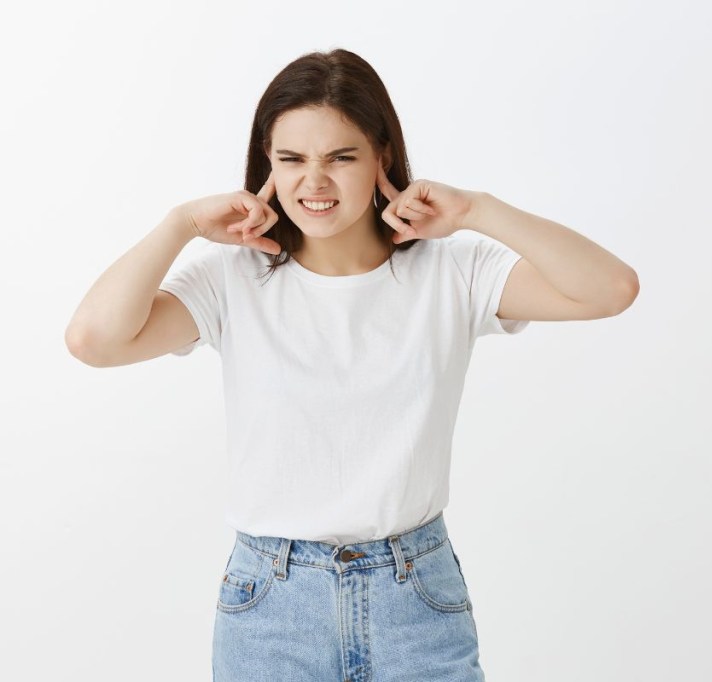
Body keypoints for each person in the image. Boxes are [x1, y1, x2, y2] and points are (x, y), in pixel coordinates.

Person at [65, 48, 639, 681]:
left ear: (381, 158)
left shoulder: (452, 271)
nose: (314, 182)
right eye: (291, 160)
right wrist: (180, 224)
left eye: (340, 157)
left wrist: (476, 210)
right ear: (267, 166)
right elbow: (95, 340)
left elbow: (610, 290)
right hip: (270, 604)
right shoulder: (233, 279)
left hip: (416, 597)